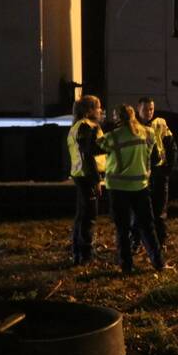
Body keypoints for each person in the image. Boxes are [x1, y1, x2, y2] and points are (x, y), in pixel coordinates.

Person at [98, 105, 165, 273]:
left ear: (117, 118)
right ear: (134, 115)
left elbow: (94, 149)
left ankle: (126, 266)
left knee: (122, 229)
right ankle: (158, 262)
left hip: (117, 188)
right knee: (147, 227)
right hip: (140, 187)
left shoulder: (113, 136)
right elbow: (156, 158)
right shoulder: (148, 132)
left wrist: (102, 126)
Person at [67, 94, 107, 264]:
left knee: (81, 216)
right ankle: (86, 255)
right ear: (90, 110)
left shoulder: (77, 126)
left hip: (80, 175)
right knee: (89, 217)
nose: (100, 111)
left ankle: (78, 253)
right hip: (87, 176)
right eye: (98, 108)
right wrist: (96, 180)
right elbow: (88, 155)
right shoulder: (87, 127)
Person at [137, 96, 177, 247]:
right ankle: (142, 242)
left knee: (160, 211)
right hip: (142, 174)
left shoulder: (160, 123)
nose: (149, 112)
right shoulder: (134, 126)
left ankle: (160, 242)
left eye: (151, 109)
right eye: (146, 109)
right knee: (143, 212)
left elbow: (171, 145)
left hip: (159, 172)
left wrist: (169, 167)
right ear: (138, 109)